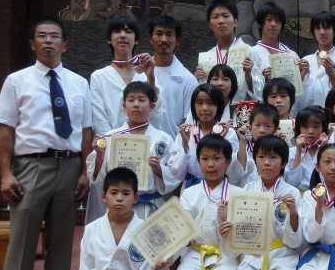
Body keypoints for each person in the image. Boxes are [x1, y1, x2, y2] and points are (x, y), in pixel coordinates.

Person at [0, 17, 93, 270]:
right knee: (21, 243)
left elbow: (86, 131)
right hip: (30, 167)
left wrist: (84, 171)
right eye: (42, 36)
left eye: (55, 36)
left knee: (61, 244)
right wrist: (5, 173)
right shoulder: (16, 81)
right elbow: (5, 130)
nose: (48, 41)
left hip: (68, 166)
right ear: (32, 44)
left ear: (65, 44)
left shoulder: (79, 83)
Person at [166, 134, 242, 270]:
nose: (210, 164)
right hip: (197, 251)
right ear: (197, 162)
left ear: (227, 162)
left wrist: (229, 223)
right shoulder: (189, 194)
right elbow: (180, 230)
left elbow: (245, 234)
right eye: (205, 159)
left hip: (227, 253)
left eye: (217, 158)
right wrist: (165, 257)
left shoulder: (238, 195)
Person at [229, 135, 303, 270]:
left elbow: (296, 240)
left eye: (273, 158)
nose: (267, 163)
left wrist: (293, 214)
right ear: (255, 160)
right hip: (253, 252)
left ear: (284, 162)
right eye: (261, 157)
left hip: (283, 252)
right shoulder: (246, 190)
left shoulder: (292, 193)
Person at [85, 16, 163, 224]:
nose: (122, 35)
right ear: (108, 39)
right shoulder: (99, 76)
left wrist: (151, 77)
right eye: (117, 31)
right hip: (111, 153)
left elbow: (156, 114)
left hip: (144, 152)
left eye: (128, 31)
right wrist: (112, 149)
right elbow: (99, 118)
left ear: (136, 40)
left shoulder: (146, 73)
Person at [87, 81, 179, 219]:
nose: (136, 104)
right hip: (119, 204)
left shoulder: (163, 139)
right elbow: (96, 179)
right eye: (131, 100)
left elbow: (175, 174)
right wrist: (100, 156)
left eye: (141, 100)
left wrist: (158, 169)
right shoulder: (110, 138)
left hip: (151, 206)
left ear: (152, 106)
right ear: (124, 106)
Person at [197, 0, 265, 105]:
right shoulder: (207, 57)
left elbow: (262, 91)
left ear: (236, 22)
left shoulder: (250, 52)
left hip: (241, 111)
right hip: (214, 111)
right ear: (210, 25)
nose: (221, 21)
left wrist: (248, 77)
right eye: (215, 17)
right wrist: (198, 79)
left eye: (225, 16)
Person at [166, 84, 239, 183]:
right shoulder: (186, 133)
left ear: (219, 106)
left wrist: (219, 142)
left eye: (210, 103)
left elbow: (234, 172)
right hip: (191, 188)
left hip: (219, 188)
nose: (204, 108)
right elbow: (176, 173)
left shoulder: (228, 133)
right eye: (200, 103)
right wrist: (185, 146)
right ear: (193, 106)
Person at [251, 2, 312, 111]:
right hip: (266, 111)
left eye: (278, 21)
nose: (273, 24)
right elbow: (250, 90)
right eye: (269, 20)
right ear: (260, 23)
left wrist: (302, 74)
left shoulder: (291, 54)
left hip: (289, 110)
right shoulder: (252, 52)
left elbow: (298, 91)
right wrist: (264, 79)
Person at [146, 15, 199, 138]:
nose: (164, 39)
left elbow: (192, 121)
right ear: (150, 39)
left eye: (169, 34)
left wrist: (187, 144)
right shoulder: (139, 74)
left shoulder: (188, 80)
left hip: (175, 146)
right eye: (159, 34)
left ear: (177, 41)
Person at [301, 11, 335, 106]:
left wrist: (331, 74)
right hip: (309, 111)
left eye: (327, 27)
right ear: (313, 32)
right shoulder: (306, 60)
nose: (322, 32)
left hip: (332, 111)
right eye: (318, 28)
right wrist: (301, 76)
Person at [228, 103, 280, 187]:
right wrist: (243, 141)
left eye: (267, 126)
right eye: (257, 125)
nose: (262, 130)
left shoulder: (280, 152)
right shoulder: (244, 150)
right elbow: (234, 176)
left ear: (275, 129)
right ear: (250, 127)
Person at [284, 106, 331, 191]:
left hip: (324, 194)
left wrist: (324, 149)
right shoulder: (291, 152)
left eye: (316, 126)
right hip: (299, 196)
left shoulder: (331, 151)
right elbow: (292, 183)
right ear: (298, 129)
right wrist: (298, 151)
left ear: (323, 129)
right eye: (305, 127)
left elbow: (331, 179)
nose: (310, 131)